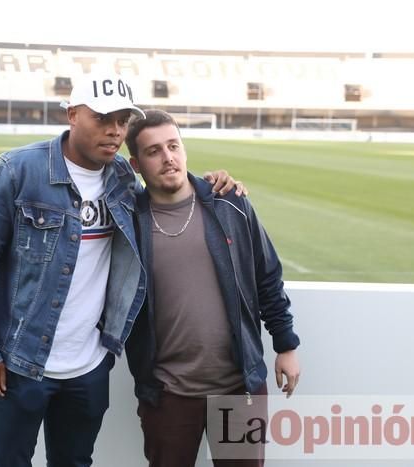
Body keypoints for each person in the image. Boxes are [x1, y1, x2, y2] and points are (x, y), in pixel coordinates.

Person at [0, 75, 243, 467]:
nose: (114, 130)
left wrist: (214, 183)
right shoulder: (16, 170)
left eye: (122, 121)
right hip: (20, 362)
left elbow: (171, 187)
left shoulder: (123, 180)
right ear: (73, 115)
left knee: (75, 463)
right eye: (103, 118)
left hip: (89, 365)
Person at [124, 109, 301, 467]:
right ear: (137, 164)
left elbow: (267, 277)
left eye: (173, 145)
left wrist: (286, 345)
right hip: (168, 393)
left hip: (239, 388)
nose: (168, 156)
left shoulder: (230, 203)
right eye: (154, 150)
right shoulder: (128, 221)